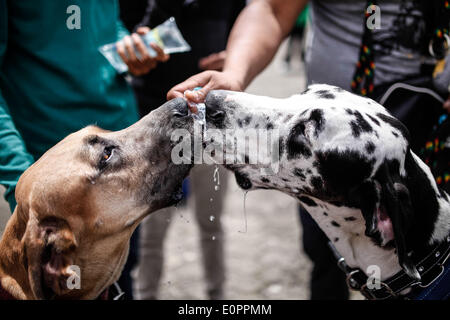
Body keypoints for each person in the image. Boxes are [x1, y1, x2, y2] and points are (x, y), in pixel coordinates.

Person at [168, 0, 450, 299]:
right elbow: (273, 9)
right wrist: (235, 74)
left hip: (435, 125)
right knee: (325, 260)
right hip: (324, 146)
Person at [0, 0, 166, 299]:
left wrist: (125, 48)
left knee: (122, 280)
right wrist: (24, 191)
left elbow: (100, 27)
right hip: (55, 173)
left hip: (121, 142)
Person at [119, 0, 246, 300]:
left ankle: (218, 297)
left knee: (210, 223)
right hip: (156, 122)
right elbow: (123, 36)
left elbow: (245, 28)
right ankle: (146, 294)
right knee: (151, 230)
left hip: (211, 119)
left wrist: (234, 60)